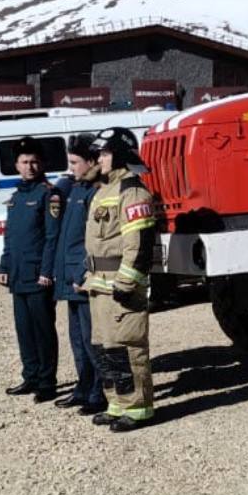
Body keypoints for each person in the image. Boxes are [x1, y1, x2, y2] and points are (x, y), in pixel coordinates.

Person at [82, 127, 156, 432]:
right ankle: (117, 403)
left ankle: (138, 408)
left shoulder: (132, 192)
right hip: (99, 285)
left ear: (121, 155)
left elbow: (138, 245)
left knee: (127, 347)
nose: (100, 159)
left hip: (119, 286)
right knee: (104, 347)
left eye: (106, 153)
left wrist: (126, 284)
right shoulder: (104, 190)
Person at [0, 136, 63, 402]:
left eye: (34, 162)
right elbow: (10, 236)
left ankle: (47, 382)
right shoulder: (15, 197)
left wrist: (47, 272)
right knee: (24, 330)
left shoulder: (49, 194)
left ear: (42, 163)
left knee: (43, 330)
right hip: (18, 275)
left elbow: (52, 237)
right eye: (24, 162)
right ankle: (31, 376)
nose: (30, 167)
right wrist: (4, 266)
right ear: (16, 165)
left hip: (39, 276)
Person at [51, 135, 107, 416]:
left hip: (83, 277)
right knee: (76, 338)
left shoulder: (95, 192)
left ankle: (99, 393)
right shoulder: (75, 189)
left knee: (90, 338)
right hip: (71, 276)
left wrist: (83, 272)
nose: (71, 167)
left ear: (91, 162)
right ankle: (83, 388)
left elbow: (94, 240)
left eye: (75, 162)